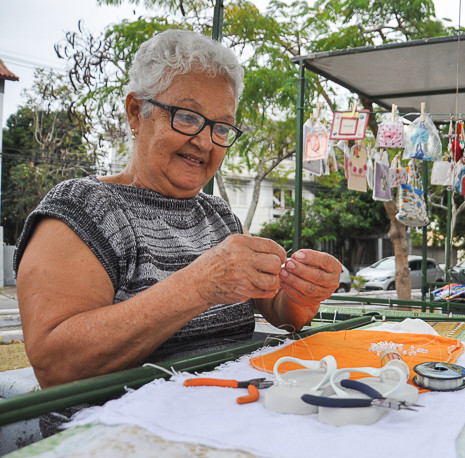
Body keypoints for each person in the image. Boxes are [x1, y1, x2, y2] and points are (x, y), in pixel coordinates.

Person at [15, 29, 341, 393]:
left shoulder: (218, 217)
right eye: (187, 117)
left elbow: (279, 314)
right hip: (121, 439)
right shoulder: (82, 208)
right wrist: (200, 285)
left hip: (237, 417)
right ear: (137, 113)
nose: (204, 141)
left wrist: (302, 293)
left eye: (221, 127)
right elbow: (56, 365)